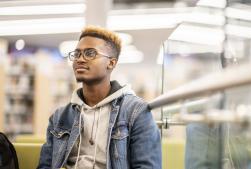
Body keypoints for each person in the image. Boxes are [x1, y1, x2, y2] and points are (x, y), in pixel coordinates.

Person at [37, 25, 162, 169]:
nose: (80, 59)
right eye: (77, 54)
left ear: (111, 62)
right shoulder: (60, 116)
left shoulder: (136, 112)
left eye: (90, 53)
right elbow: (44, 166)